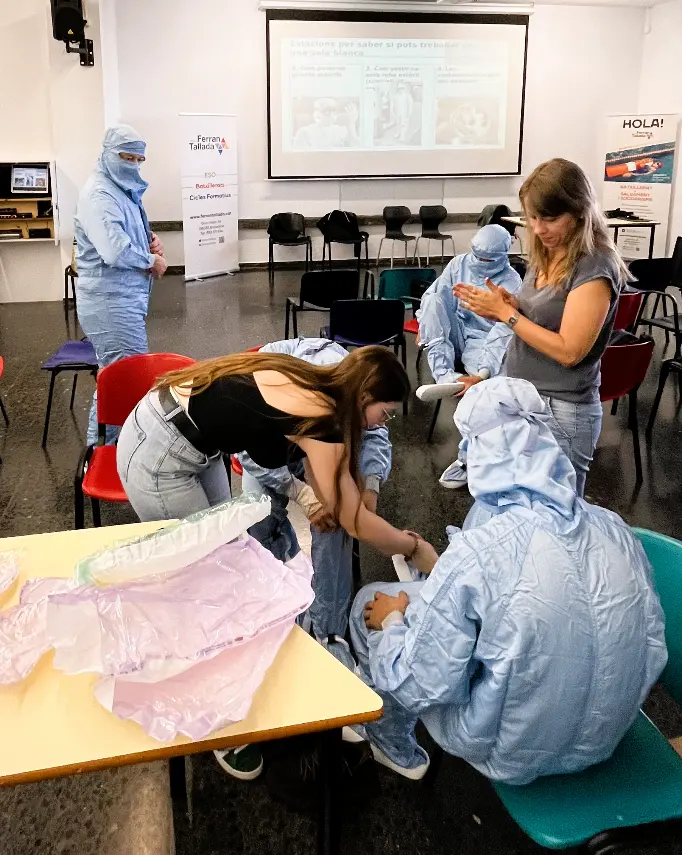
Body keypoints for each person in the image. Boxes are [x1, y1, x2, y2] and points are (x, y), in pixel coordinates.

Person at [348, 376, 667, 783]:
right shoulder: (615, 529)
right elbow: (650, 642)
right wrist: (443, 571)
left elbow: (421, 682)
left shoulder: (479, 553)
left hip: (510, 750)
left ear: (477, 458)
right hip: (607, 737)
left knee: (372, 604)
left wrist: (393, 622)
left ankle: (395, 748)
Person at [454, 158, 630, 497]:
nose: (537, 229)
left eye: (549, 218)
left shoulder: (594, 266)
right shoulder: (550, 250)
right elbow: (541, 315)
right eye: (532, 217)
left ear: (579, 211)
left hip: (561, 409)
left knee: (556, 515)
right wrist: (511, 305)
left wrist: (509, 315)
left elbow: (570, 351)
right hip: (525, 397)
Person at [236, 338, 392, 672]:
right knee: (257, 515)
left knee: (336, 523)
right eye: (383, 413)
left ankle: (329, 631)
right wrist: (304, 496)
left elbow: (376, 434)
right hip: (268, 448)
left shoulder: (359, 386)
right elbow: (248, 451)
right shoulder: (284, 386)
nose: (383, 421)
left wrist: (370, 487)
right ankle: (278, 606)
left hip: (322, 438)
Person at [74, 124, 167, 445]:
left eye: (139, 160)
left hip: (123, 301)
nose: (134, 165)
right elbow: (114, 250)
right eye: (127, 158)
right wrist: (150, 261)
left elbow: (127, 232)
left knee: (115, 377)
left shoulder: (120, 189)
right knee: (125, 381)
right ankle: (103, 453)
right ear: (108, 154)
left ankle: (104, 450)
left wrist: (149, 240)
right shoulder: (99, 195)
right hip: (109, 303)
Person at [416, 224, 522, 401]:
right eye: (477, 256)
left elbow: (504, 331)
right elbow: (434, 298)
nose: (479, 262)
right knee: (433, 301)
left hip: (484, 339)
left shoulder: (511, 282)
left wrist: (483, 373)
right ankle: (444, 377)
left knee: (489, 382)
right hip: (455, 331)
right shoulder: (459, 264)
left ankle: (477, 380)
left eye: (487, 260)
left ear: (502, 256)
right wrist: (424, 325)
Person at [292, 98, 360, 150]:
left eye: (334, 110)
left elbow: (356, 148)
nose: (331, 114)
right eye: (327, 110)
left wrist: (351, 124)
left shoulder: (342, 131)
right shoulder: (304, 132)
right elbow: (300, 157)